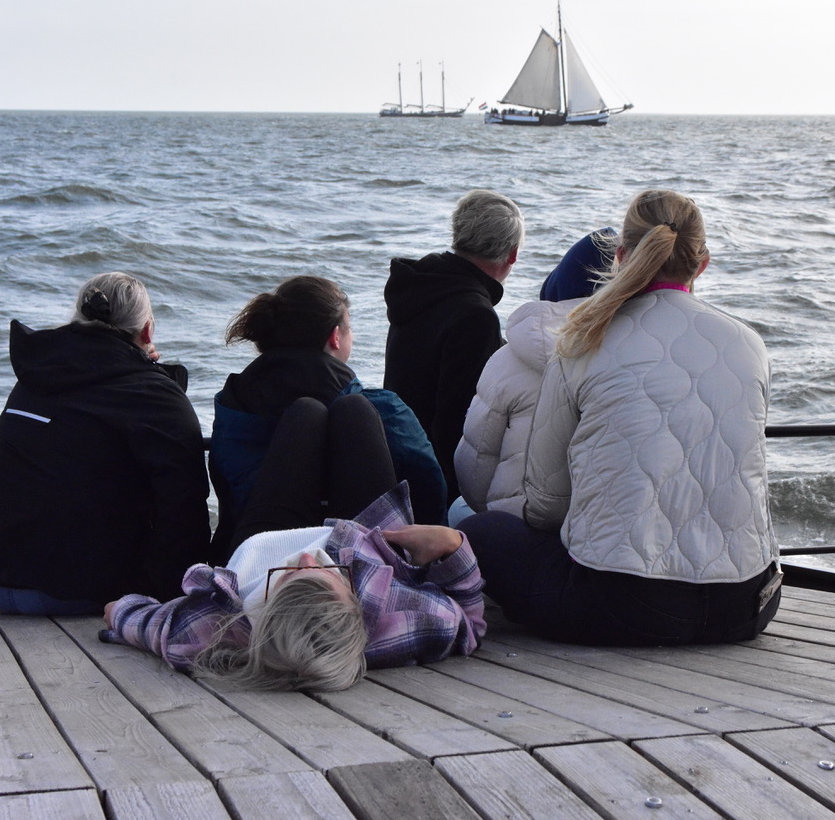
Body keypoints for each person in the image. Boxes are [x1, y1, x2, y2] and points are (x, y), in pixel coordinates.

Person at [459, 190, 781, 646]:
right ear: (702, 264)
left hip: (624, 607)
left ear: (623, 257)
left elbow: (547, 504)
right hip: (748, 603)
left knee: (480, 530)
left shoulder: (581, 341)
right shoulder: (750, 345)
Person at [102, 398, 484, 691]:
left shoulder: (213, 631)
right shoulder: (396, 620)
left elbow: (127, 615)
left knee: (305, 413)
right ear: (357, 609)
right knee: (354, 410)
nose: (305, 556)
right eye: (327, 573)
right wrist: (453, 547)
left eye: (286, 576)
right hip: (366, 541)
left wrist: (123, 611)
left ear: (264, 612)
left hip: (262, 542)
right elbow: (471, 624)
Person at [0, 272, 211, 615]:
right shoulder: (155, 396)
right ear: (147, 331)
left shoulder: (38, 371)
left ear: (77, 318)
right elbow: (183, 508)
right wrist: (178, 597)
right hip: (64, 591)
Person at [209, 275, 445, 558]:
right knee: (351, 410)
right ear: (335, 337)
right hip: (357, 558)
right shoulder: (382, 409)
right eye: (349, 328)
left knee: (310, 413)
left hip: (258, 553)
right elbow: (429, 488)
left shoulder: (232, 407)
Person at [453, 229, 614, 522]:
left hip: (518, 519)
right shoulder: (643, 357)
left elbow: (473, 467)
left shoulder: (508, 359)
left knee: (458, 511)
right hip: (602, 527)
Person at [384, 190, 524, 503]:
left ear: (458, 235)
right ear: (512, 255)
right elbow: (458, 421)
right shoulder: (475, 315)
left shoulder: (419, 285)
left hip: (395, 452)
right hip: (432, 478)